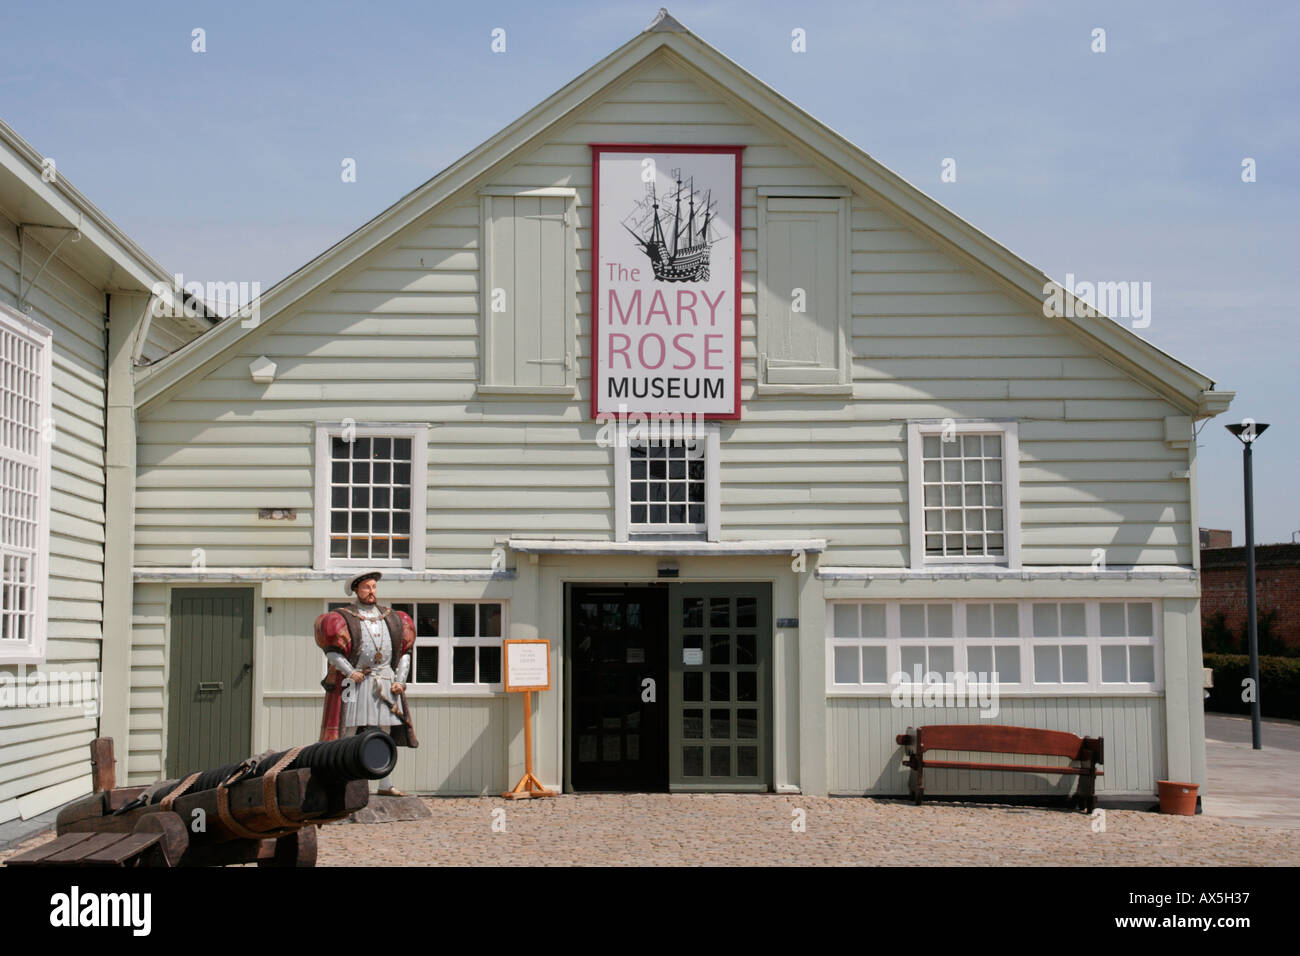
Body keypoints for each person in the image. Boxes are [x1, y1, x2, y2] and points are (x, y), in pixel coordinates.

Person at [314, 571, 418, 796]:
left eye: (374, 587)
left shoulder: (392, 618)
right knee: (348, 729)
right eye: (366, 587)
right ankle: (342, 782)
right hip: (354, 683)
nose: (371, 592)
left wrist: (400, 680)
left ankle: (384, 783)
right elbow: (333, 652)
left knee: (383, 733)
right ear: (356, 590)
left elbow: (404, 653)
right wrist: (350, 672)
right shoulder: (343, 617)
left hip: (385, 681)